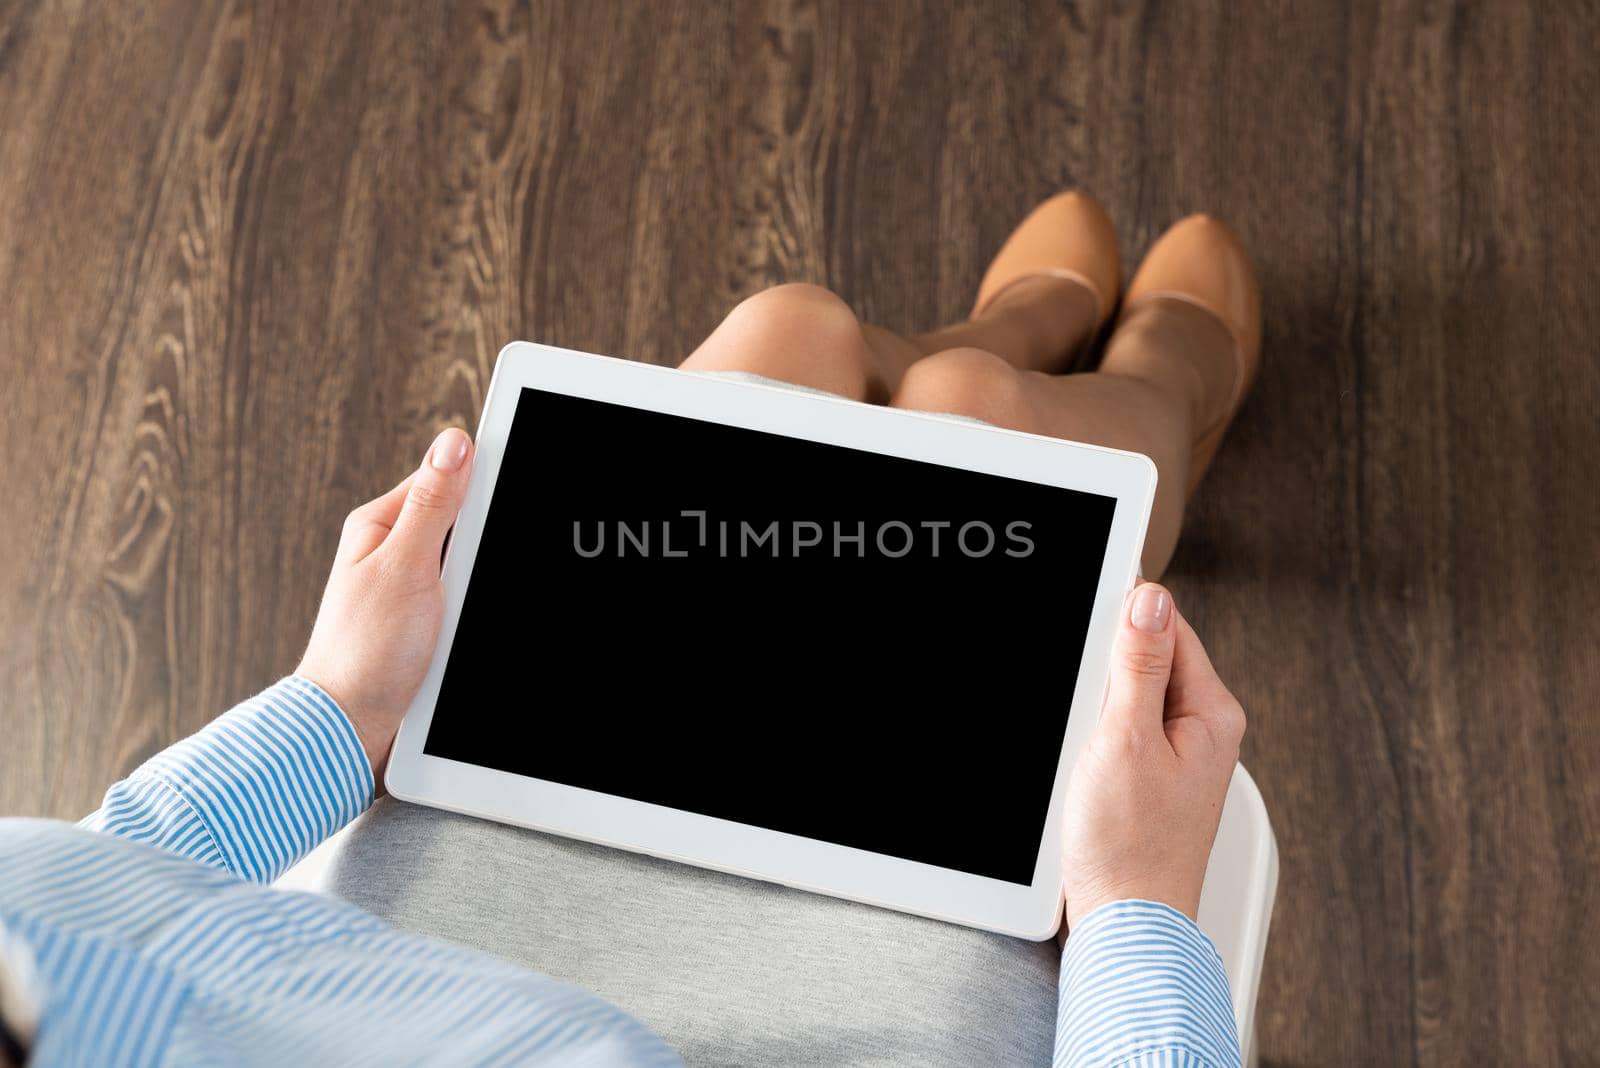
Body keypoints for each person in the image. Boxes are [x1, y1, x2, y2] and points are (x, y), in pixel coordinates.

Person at [0, 192, 1256, 1066]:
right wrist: (1136, 913)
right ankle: (1160, 385)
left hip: (464, 866)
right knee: (984, 431)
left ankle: (996, 344)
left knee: (789, 330)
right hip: (896, 981)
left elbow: (103, 889)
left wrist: (336, 713)